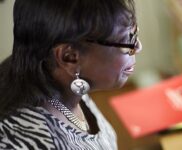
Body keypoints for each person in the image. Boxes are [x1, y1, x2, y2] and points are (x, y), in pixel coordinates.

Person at [0, 0, 142, 149]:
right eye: (126, 39)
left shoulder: (61, 79)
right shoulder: (34, 141)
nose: (138, 46)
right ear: (69, 57)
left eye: (133, 32)